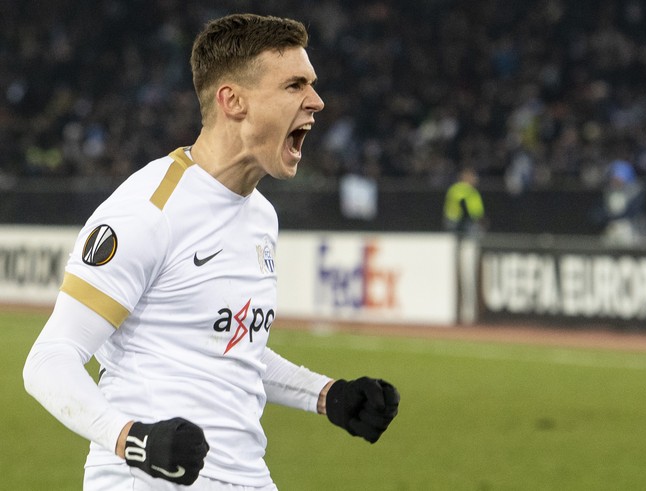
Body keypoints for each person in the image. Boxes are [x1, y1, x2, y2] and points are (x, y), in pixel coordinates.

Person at [22, 13, 399, 490]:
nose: (316, 101)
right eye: (294, 86)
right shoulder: (148, 210)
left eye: (313, 84)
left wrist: (327, 395)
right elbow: (49, 359)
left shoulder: (261, 216)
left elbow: (230, 348)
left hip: (247, 478)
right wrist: (132, 440)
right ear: (232, 101)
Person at [596, 160, 646, 247]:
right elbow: (600, 212)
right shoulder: (610, 191)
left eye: (619, 178)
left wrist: (612, 217)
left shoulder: (636, 191)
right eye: (614, 178)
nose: (616, 181)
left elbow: (632, 213)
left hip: (632, 230)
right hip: (613, 229)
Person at [443, 167, 486, 236]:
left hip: (470, 220)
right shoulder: (458, 189)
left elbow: (476, 208)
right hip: (457, 221)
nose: (475, 179)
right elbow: (463, 205)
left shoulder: (473, 191)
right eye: (473, 176)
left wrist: (480, 217)